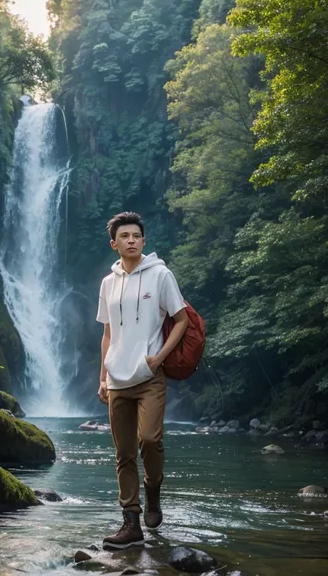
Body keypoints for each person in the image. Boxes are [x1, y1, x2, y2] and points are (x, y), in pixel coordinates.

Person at [96, 211, 188, 549]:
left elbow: (181, 320)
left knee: (149, 438)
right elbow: (107, 332)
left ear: (143, 241)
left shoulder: (161, 275)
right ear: (114, 244)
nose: (131, 240)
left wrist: (159, 357)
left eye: (136, 235)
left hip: (150, 375)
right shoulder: (108, 283)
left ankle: (153, 488)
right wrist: (103, 376)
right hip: (117, 378)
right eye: (125, 236)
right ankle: (130, 522)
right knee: (123, 453)